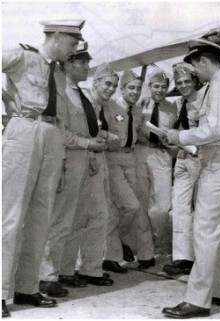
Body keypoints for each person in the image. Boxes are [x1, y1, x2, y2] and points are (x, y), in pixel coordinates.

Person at [2, 19, 83, 317]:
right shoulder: (23, 57)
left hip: (51, 137)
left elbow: (60, 117)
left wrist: (61, 160)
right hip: (23, 130)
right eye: (73, 44)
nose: (74, 50)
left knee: (41, 216)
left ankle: (27, 286)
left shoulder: (59, 74)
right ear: (58, 36)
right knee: (10, 216)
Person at [162, 40, 220, 318]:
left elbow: (216, 129)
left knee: (205, 231)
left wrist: (180, 136)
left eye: (194, 68)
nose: (195, 75)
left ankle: (197, 300)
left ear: (202, 62)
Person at [39, 42, 109, 297]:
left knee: (76, 219)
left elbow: (82, 128)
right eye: (82, 61)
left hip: (82, 161)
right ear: (68, 63)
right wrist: (89, 143)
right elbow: (61, 132)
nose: (87, 66)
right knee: (60, 220)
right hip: (66, 160)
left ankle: (66, 270)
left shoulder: (78, 94)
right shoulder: (63, 94)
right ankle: (46, 276)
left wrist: (95, 142)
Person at [58, 63, 120, 286]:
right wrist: (92, 147)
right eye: (107, 84)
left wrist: (104, 137)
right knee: (76, 217)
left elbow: (91, 130)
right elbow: (69, 132)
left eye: (114, 85)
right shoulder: (74, 96)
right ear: (96, 83)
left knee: (99, 215)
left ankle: (90, 268)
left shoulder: (91, 102)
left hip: (93, 159)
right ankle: (65, 270)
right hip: (78, 160)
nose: (111, 89)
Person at [102, 69, 155, 273]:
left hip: (131, 158)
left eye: (138, 88)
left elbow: (141, 132)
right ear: (121, 89)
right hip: (113, 158)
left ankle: (112, 255)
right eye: (131, 88)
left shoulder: (136, 110)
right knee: (130, 206)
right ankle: (118, 244)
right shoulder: (110, 105)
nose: (135, 91)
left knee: (125, 208)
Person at [163, 63, 202, 276]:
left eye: (187, 81)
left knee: (201, 208)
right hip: (181, 157)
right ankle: (182, 257)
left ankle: (200, 256)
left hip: (199, 158)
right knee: (179, 207)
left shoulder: (204, 100)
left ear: (195, 81)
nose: (184, 85)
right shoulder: (179, 104)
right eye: (179, 82)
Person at [135, 70, 178, 259]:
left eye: (163, 86)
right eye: (155, 86)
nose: (159, 90)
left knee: (162, 205)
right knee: (141, 199)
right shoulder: (140, 105)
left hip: (162, 154)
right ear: (149, 87)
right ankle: (145, 248)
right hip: (142, 152)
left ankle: (156, 238)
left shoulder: (172, 108)